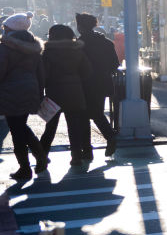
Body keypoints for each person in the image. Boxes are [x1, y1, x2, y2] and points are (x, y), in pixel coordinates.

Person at [0, 13, 47, 181]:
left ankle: (26, 167)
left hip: (10, 92)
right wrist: (40, 92)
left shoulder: (5, 47)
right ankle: (39, 156)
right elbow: (41, 73)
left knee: (16, 129)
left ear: (9, 28)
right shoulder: (34, 48)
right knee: (20, 126)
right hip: (30, 89)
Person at [39, 24, 92, 166]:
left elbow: (43, 74)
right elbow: (87, 71)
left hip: (54, 92)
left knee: (50, 126)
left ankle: (42, 155)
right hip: (75, 92)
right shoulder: (77, 51)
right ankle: (76, 157)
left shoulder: (48, 53)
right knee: (74, 125)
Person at [75, 13, 119, 157]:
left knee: (83, 116)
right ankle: (108, 138)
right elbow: (115, 64)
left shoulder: (79, 44)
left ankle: (88, 149)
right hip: (103, 83)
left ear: (80, 27)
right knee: (97, 113)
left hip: (84, 84)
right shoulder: (106, 42)